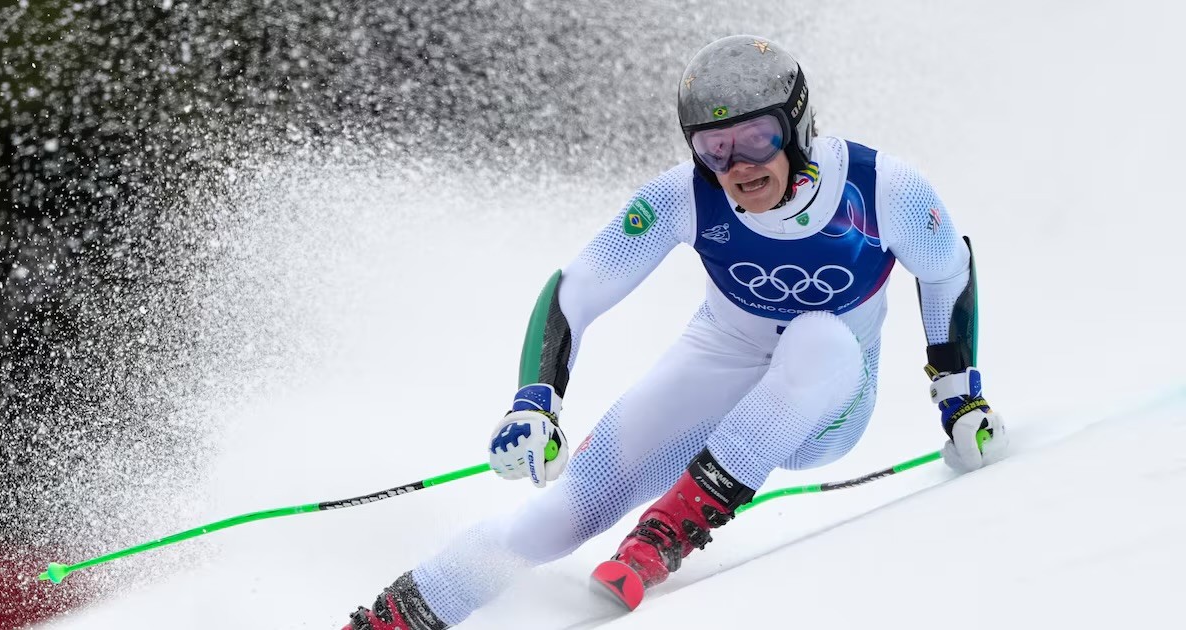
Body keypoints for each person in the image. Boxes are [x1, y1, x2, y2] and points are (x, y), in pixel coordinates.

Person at [342, 34, 1008, 630]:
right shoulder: (685, 195)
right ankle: (398, 617)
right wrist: (535, 401)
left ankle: (663, 535)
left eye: (758, 138)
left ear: (798, 128)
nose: (739, 165)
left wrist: (960, 399)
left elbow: (948, 271)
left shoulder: (879, 186)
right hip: (722, 363)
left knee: (819, 337)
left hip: (829, 404)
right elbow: (574, 290)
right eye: (715, 148)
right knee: (559, 514)